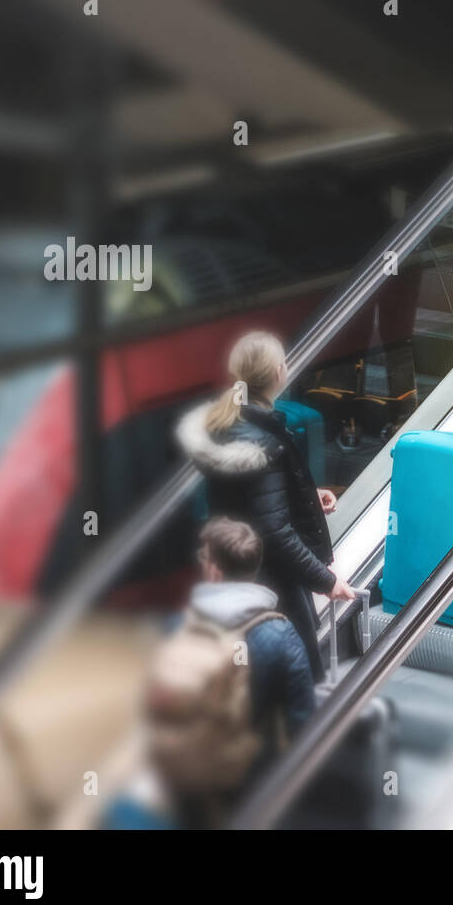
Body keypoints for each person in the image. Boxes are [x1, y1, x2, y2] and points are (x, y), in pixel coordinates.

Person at [109, 517, 316, 829]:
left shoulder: (177, 623)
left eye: (204, 557)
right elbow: (302, 719)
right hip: (246, 776)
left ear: (215, 571)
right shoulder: (280, 633)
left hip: (177, 772)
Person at [176, 331, 354, 681]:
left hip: (236, 574)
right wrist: (326, 580)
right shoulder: (263, 441)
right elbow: (273, 530)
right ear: (278, 373)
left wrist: (304, 495)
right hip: (273, 589)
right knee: (295, 682)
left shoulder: (227, 425)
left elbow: (248, 498)